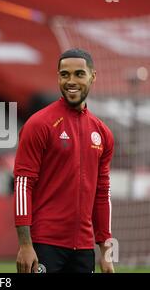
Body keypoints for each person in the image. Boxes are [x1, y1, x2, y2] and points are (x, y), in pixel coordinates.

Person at [14, 48, 115, 273]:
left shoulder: (103, 133)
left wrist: (106, 252)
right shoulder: (38, 124)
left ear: (93, 76)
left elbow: (102, 193)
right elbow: (22, 184)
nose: (71, 81)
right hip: (45, 245)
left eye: (79, 74)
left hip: (84, 248)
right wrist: (25, 244)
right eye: (64, 74)